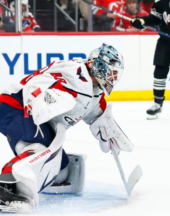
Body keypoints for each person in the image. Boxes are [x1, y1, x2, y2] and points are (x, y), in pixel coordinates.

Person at [0, 44, 134, 212]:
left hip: (33, 115)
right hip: (17, 106)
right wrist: (40, 103)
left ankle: (34, 179)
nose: (114, 78)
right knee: (39, 150)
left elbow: (96, 114)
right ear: (100, 66)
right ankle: (6, 185)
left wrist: (107, 129)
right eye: (112, 71)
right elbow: (35, 86)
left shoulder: (94, 90)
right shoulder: (75, 73)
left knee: (61, 169)